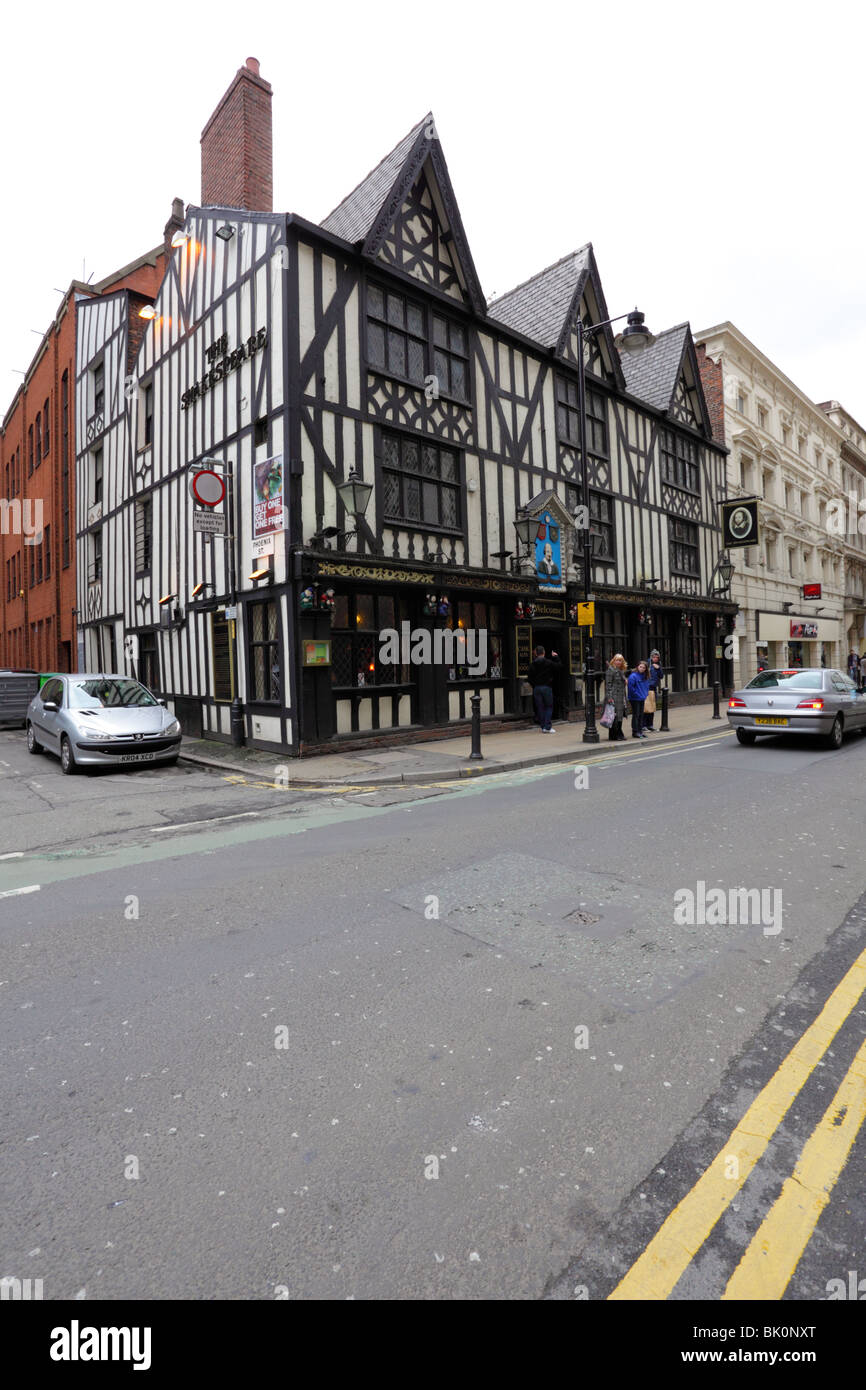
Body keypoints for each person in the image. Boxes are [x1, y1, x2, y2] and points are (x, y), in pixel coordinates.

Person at [527, 644, 561, 733]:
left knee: (540, 707)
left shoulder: (532, 664)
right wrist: (556, 657)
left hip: (537, 688)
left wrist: (534, 685)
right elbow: (559, 667)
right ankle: (547, 727)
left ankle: (543, 727)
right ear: (544, 653)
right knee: (549, 707)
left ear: (536, 653)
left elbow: (529, 677)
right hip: (546, 687)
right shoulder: (548, 662)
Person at [603, 653, 628, 741]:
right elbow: (608, 685)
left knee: (619, 716)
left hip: (621, 696)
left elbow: (622, 681)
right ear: (614, 660)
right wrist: (609, 697)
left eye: (620, 660)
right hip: (614, 696)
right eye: (617, 660)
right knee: (614, 716)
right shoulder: (610, 670)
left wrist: (625, 680)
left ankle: (617, 734)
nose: (619, 662)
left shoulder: (621, 670)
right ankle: (615, 735)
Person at [627, 659, 650, 738]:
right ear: (637, 667)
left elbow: (647, 686)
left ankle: (640, 731)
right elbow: (631, 688)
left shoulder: (645, 676)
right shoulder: (633, 676)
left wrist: (645, 694)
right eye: (641, 667)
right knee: (636, 715)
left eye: (644, 668)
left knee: (641, 715)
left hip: (642, 698)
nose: (642, 669)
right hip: (634, 699)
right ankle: (635, 732)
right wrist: (638, 695)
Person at [644, 649, 663, 731]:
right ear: (651, 657)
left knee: (652, 706)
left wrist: (658, 668)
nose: (655, 658)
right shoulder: (647, 664)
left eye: (657, 657)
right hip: (646, 687)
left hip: (654, 688)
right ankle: (643, 725)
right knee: (645, 707)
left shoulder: (658, 664)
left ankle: (650, 725)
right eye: (654, 657)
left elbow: (661, 676)